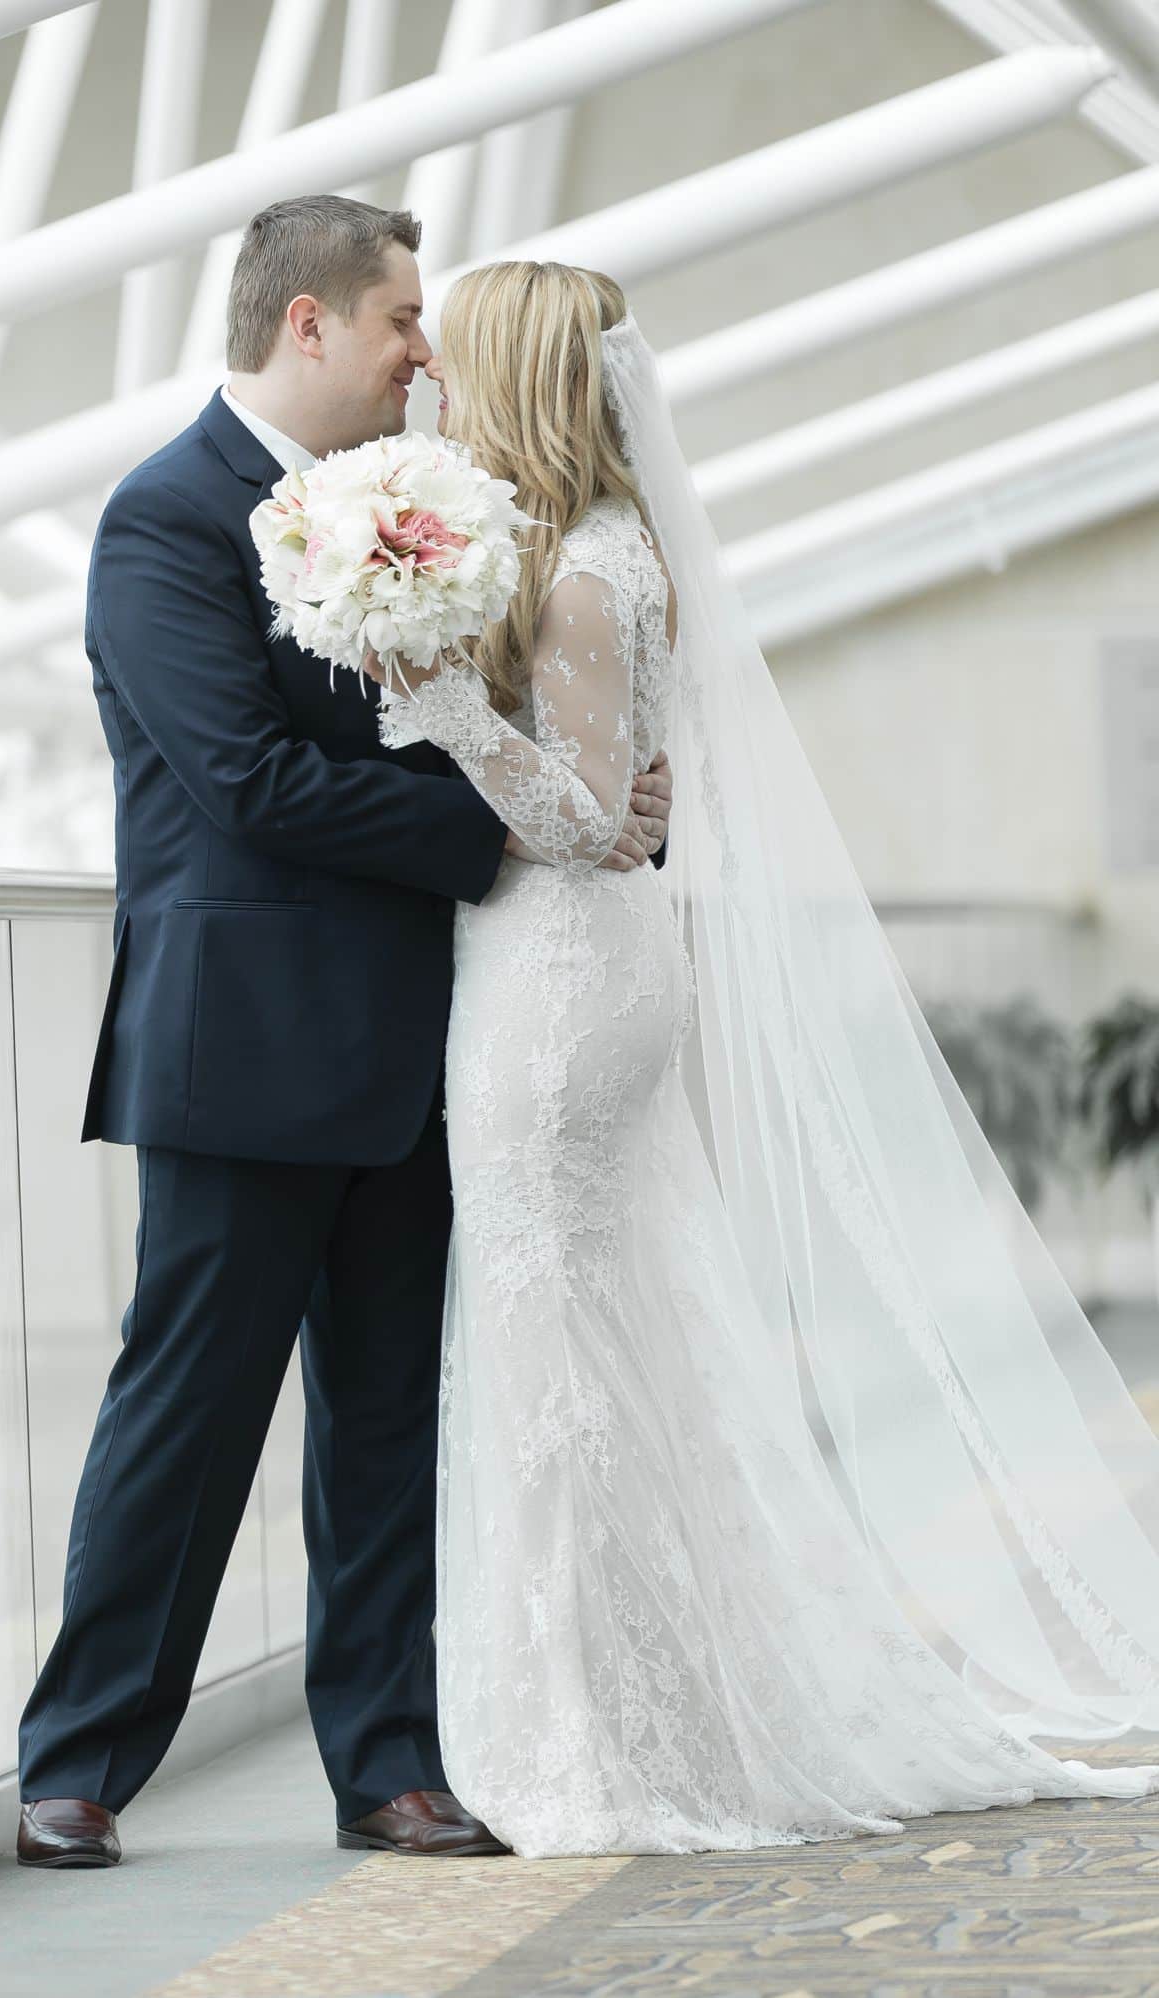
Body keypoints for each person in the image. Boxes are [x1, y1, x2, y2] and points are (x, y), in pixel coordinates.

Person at [384, 259, 1159, 1853]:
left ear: (517, 373)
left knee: (563, 1361)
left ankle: (604, 1739)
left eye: (456, 361)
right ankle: (632, 1699)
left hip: (562, 991)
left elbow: (594, 825)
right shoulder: (594, 551)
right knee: (608, 1351)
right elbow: (619, 804)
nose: (435, 390)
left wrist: (453, 711)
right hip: (569, 978)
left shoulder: (592, 572)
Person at [14, 194, 675, 1870]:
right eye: (396, 320)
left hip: (420, 1033)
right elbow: (242, 779)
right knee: (190, 1408)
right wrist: (502, 827)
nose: (421, 354)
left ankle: (388, 1762)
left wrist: (596, 795)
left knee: (385, 1415)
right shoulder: (164, 521)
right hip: (239, 1044)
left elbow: (512, 722)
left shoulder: (421, 509)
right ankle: (79, 1757)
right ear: (304, 324)